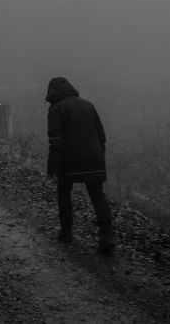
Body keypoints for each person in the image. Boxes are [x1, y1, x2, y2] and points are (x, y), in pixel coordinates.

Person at [45, 76, 116, 254]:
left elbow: (55, 140)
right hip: (94, 157)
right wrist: (99, 156)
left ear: (52, 93)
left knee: (64, 191)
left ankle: (66, 233)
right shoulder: (88, 104)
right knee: (97, 195)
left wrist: (52, 166)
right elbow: (102, 135)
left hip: (69, 159)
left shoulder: (56, 109)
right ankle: (107, 236)